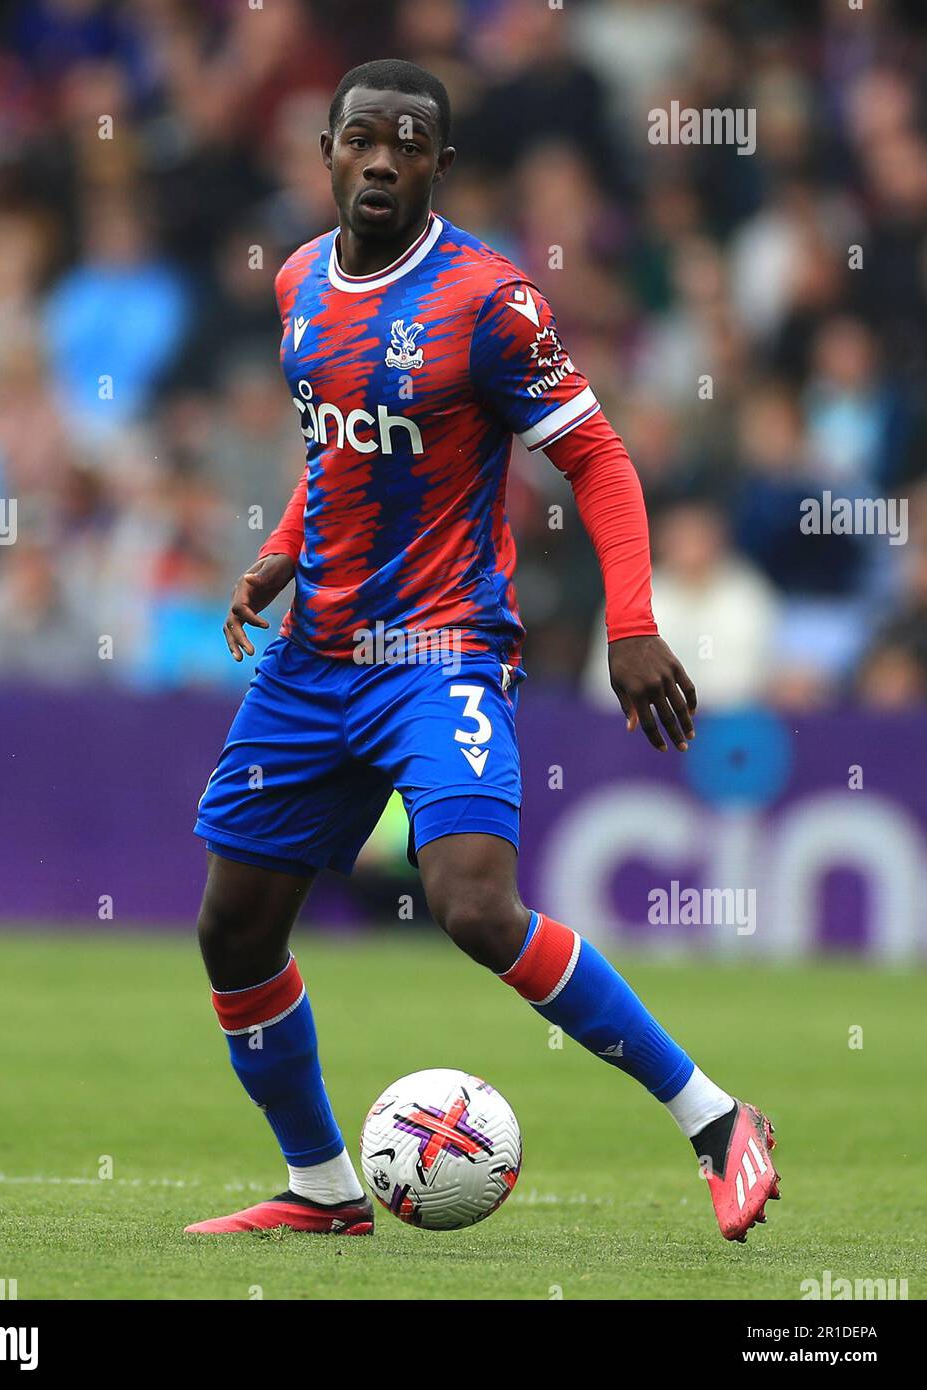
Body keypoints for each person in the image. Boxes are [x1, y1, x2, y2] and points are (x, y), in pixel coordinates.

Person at [185, 60, 778, 1243]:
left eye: (408, 145)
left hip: (441, 650)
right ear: (327, 151)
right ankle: (323, 1188)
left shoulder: (488, 302)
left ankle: (715, 1120)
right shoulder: (300, 279)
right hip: (314, 656)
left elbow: (598, 459)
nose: (380, 161)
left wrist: (631, 625)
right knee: (233, 929)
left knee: (470, 901)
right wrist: (282, 552)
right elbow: (342, 455)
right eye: (361, 139)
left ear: (438, 168)